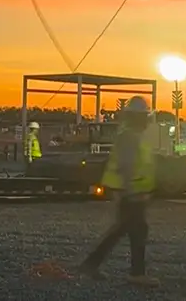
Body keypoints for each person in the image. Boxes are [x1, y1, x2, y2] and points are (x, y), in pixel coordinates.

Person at [78, 96, 159, 287]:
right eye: (144, 116)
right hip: (131, 192)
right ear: (139, 118)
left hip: (132, 191)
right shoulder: (129, 137)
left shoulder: (132, 135)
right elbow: (127, 166)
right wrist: (132, 191)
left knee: (122, 230)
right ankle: (136, 274)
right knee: (136, 231)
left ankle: (90, 265)